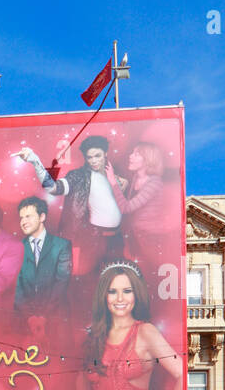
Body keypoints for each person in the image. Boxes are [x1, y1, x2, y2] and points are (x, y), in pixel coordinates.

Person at [79, 261, 184, 390]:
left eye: (127, 291)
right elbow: (79, 374)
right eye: (113, 291)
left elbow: (183, 375)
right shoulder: (96, 335)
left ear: (136, 294)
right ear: (104, 296)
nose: (120, 299)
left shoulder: (145, 332)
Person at [17, 135, 127, 277]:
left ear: (106, 153)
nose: (93, 161)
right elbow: (53, 188)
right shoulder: (78, 176)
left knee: (118, 279)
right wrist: (35, 161)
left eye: (97, 156)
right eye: (89, 157)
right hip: (93, 239)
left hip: (116, 238)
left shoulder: (115, 175)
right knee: (88, 282)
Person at [109, 141, 170, 287]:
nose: (131, 156)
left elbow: (126, 208)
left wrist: (112, 181)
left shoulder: (154, 183)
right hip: (134, 241)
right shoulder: (136, 180)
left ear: (148, 159)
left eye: (137, 154)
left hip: (148, 244)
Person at [13, 196, 72, 336]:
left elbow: (61, 283)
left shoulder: (62, 245)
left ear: (42, 217)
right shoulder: (17, 248)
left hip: (56, 320)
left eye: (28, 216)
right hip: (24, 321)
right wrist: (30, 317)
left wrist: (43, 317)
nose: (23, 222)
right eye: (21, 218)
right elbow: (17, 287)